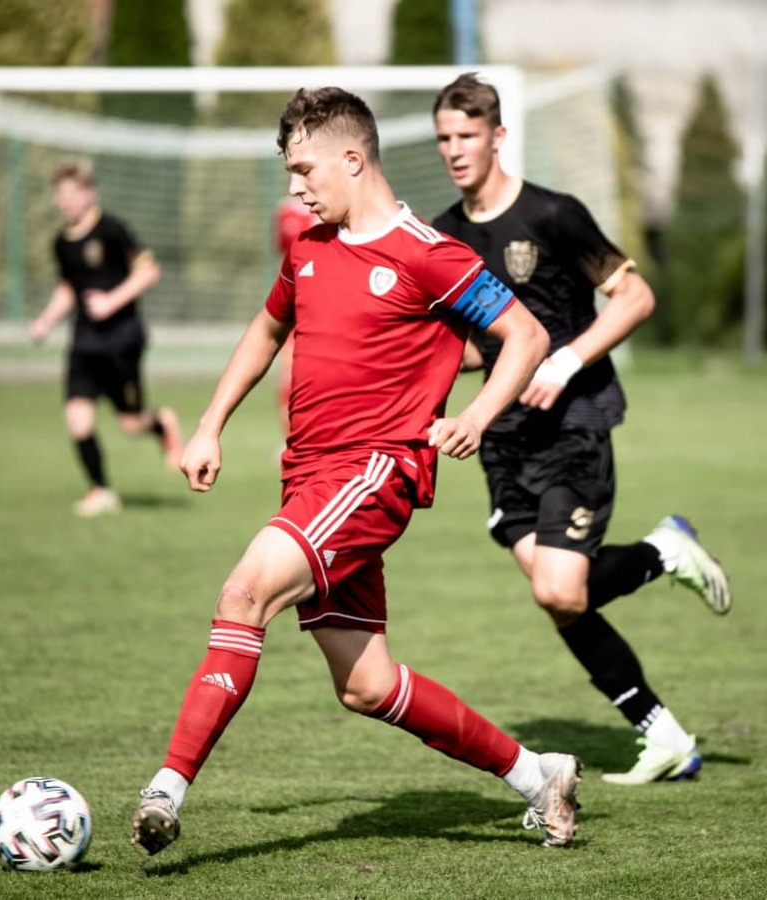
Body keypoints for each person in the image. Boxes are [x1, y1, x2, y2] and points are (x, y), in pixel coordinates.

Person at [131, 86, 584, 857]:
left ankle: (165, 791)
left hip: (374, 473)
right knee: (365, 685)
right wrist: (210, 424)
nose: (295, 187)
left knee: (244, 593)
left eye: (304, 169)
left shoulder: (428, 254)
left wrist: (476, 417)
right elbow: (267, 329)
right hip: (309, 477)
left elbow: (527, 336)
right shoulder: (308, 248)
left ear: (352, 158)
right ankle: (538, 775)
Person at [430, 73, 731, 785]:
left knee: (561, 590)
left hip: (573, 424)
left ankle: (662, 551)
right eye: (444, 137)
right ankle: (665, 737)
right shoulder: (445, 234)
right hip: (503, 437)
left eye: (468, 134)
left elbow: (635, 296)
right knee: (562, 599)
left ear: (498, 136)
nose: (454, 149)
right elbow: (471, 345)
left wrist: (564, 360)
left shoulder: (553, 214)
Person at [30, 159, 182, 518]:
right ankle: (101, 491)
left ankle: (161, 423)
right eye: (62, 194)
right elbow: (69, 287)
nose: (67, 201)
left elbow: (149, 271)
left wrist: (110, 301)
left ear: (90, 194)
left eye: (74, 193)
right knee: (77, 419)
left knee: (131, 424)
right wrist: (46, 321)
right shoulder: (61, 243)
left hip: (121, 340)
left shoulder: (112, 230)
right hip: (84, 343)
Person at [270, 196, 319, 436]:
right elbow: (283, 258)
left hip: (320, 309)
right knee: (287, 377)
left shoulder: (328, 210)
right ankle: (291, 439)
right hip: (294, 307)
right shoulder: (284, 210)